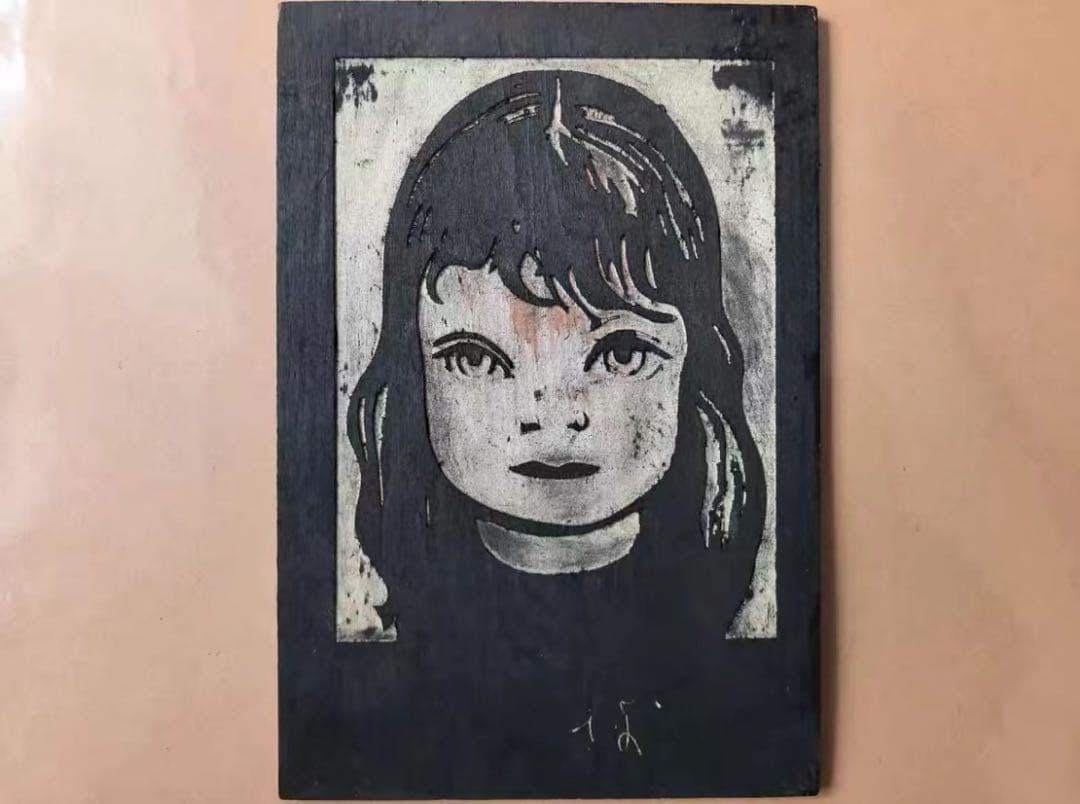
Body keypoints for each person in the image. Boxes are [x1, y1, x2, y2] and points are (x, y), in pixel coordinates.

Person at [344, 69, 766, 786]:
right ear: (412, 370)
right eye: (477, 358)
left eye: (619, 353)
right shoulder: (368, 683)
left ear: (696, 365)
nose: (551, 413)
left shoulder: (745, 679)